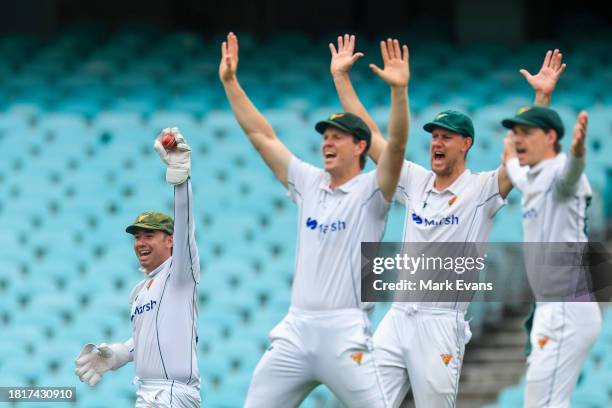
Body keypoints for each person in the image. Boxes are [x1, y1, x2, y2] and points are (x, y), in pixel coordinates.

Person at [219, 32, 409, 407]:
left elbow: (398, 146)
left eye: (338, 137)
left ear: (360, 147)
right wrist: (230, 83)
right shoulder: (308, 182)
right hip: (296, 330)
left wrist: (398, 92)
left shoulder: (374, 189)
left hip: (345, 332)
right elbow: (261, 135)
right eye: (325, 136)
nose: (327, 143)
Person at [329, 34, 513, 407]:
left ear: (466, 144)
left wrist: (540, 101)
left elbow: (520, 163)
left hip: (441, 323)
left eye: (446, 137)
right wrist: (341, 80)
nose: (436, 143)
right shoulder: (414, 181)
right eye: (433, 137)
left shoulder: (482, 190)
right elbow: (370, 135)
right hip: (399, 315)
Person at [501, 49, 602, 408]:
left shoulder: (562, 173)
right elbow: (513, 162)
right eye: (515, 132)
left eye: (526, 133)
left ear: (551, 138)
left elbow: (571, 170)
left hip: (565, 310)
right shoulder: (529, 175)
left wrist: (576, 152)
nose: (518, 138)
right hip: (551, 309)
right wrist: (541, 97)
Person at [74, 128, 201, 408]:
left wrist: (181, 180)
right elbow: (148, 337)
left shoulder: (180, 272)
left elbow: (186, 225)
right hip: (148, 393)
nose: (140, 243)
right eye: (137, 237)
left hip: (171, 394)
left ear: (170, 241)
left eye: (149, 235)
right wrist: (120, 353)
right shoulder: (139, 291)